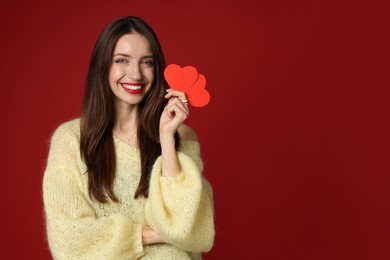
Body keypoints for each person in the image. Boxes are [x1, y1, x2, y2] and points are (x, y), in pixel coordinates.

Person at [43, 16, 215, 259]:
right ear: (103, 66)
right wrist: (154, 235)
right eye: (122, 60)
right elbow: (68, 239)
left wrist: (166, 139)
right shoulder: (70, 139)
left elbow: (193, 225)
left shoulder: (180, 135)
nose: (135, 74)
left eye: (147, 62)